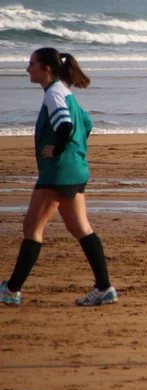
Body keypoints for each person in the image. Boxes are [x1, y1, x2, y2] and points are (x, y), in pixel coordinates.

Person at [0, 48, 116, 307]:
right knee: (80, 229)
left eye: (32, 64)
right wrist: (74, 149)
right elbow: (87, 124)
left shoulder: (53, 93)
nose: (27, 69)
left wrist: (57, 149)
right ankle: (104, 288)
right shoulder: (64, 91)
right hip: (75, 169)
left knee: (32, 229)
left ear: (47, 69)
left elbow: (65, 125)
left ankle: (11, 290)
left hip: (58, 172)